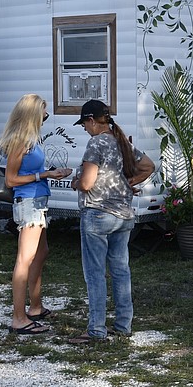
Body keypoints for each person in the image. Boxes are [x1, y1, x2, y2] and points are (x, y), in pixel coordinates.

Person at [69, 100, 155, 343]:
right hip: (124, 215)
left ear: (92, 120)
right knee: (120, 270)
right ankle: (123, 325)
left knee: (95, 273)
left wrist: (75, 183)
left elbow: (87, 183)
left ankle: (96, 330)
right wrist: (127, 185)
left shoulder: (96, 143)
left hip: (97, 214)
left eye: (85, 123)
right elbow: (149, 166)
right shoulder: (122, 142)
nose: (85, 128)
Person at [0, 94, 73, 335]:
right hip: (28, 201)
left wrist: (50, 172)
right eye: (44, 112)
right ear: (32, 114)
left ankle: (35, 306)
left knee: (41, 253)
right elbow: (11, 180)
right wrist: (45, 176)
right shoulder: (21, 141)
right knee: (25, 259)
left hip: (38, 201)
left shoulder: (32, 139)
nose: (46, 116)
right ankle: (18, 318)